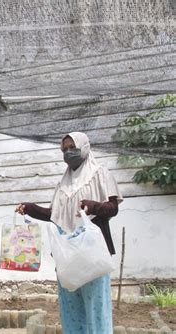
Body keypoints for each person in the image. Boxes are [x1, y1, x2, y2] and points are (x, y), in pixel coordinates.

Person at [15, 132, 123, 334]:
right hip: (68, 257)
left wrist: (93, 206)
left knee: (96, 309)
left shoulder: (100, 174)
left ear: (84, 147)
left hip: (93, 255)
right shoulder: (62, 184)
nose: (68, 152)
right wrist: (29, 207)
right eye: (64, 149)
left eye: (72, 147)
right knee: (71, 311)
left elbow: (113, 208)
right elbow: (54, 215)